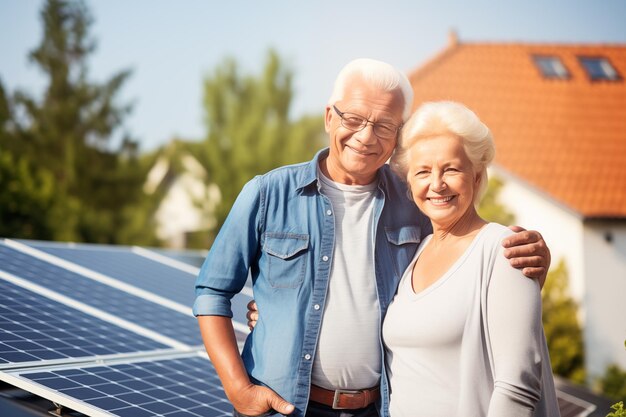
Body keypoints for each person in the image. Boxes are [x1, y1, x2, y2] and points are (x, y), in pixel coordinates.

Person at [193, 58, 551, 417]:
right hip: (283, 408)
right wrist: (239, 390)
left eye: (384, 125)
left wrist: (531, 260)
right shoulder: (269, 194)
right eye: (354, 120)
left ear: (399, 135)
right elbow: (212, 292)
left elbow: (465, 261)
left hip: (376, 409)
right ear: (329, 117)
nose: (366, 137)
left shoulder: (414, 200)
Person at [383, 100, 560, 416]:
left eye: (450, 168)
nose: (437, 184)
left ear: (476, 176)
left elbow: (517, 387)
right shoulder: (417, 251)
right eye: (423, 171)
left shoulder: (503, 249)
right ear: (409, 183)